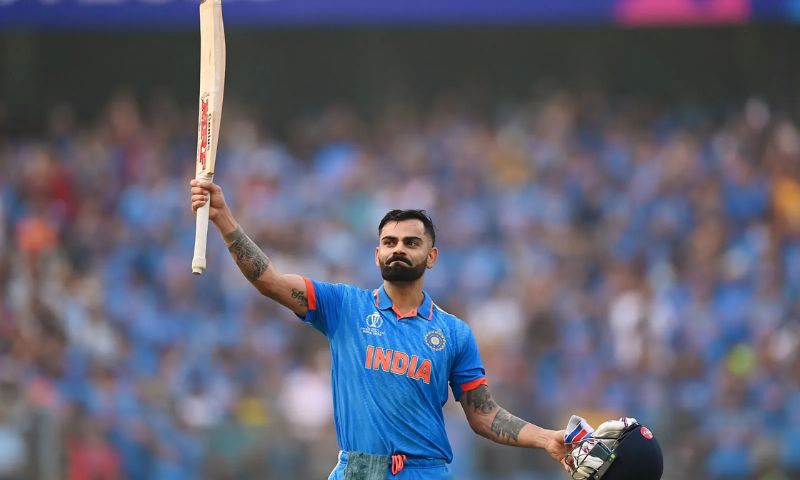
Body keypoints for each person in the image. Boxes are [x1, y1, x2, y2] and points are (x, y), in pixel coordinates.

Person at [190, 179, 568, 479]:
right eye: (389, 242)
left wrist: (546, 438)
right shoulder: (344, 306)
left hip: (423, 471)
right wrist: (223, 217)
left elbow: (483, 414)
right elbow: (269, 281)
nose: (398, 248)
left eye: (411, 242)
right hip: (356, 470)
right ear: (377, 254)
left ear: (431, 257)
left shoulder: (454, 333)